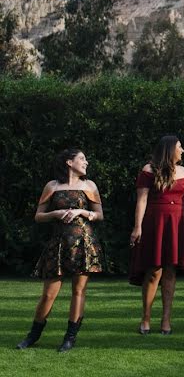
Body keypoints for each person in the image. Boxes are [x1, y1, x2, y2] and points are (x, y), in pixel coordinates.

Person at [17, 149, 103, 353]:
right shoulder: (52, 186)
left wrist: (83, 212)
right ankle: (33, 335)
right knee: (48, 294)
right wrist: (55, 213)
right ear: (69, 162)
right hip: (58, 244)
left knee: (79, 291)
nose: (86, 162)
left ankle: (69, 338)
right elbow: (38, 216)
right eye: (82, 158)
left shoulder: (89, 186)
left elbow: (99, 215)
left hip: (84, 243)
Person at [129, 135, 184, 335]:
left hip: (177, 224)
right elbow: (141, 201)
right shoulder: (148, 170)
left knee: (170, 271)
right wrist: (137, 227)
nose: (182, 150)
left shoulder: (183, 172)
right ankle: (146, 318)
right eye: (179, 147)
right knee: (154, 271)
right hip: (154, 223)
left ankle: (166, 319)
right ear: (169, 149)